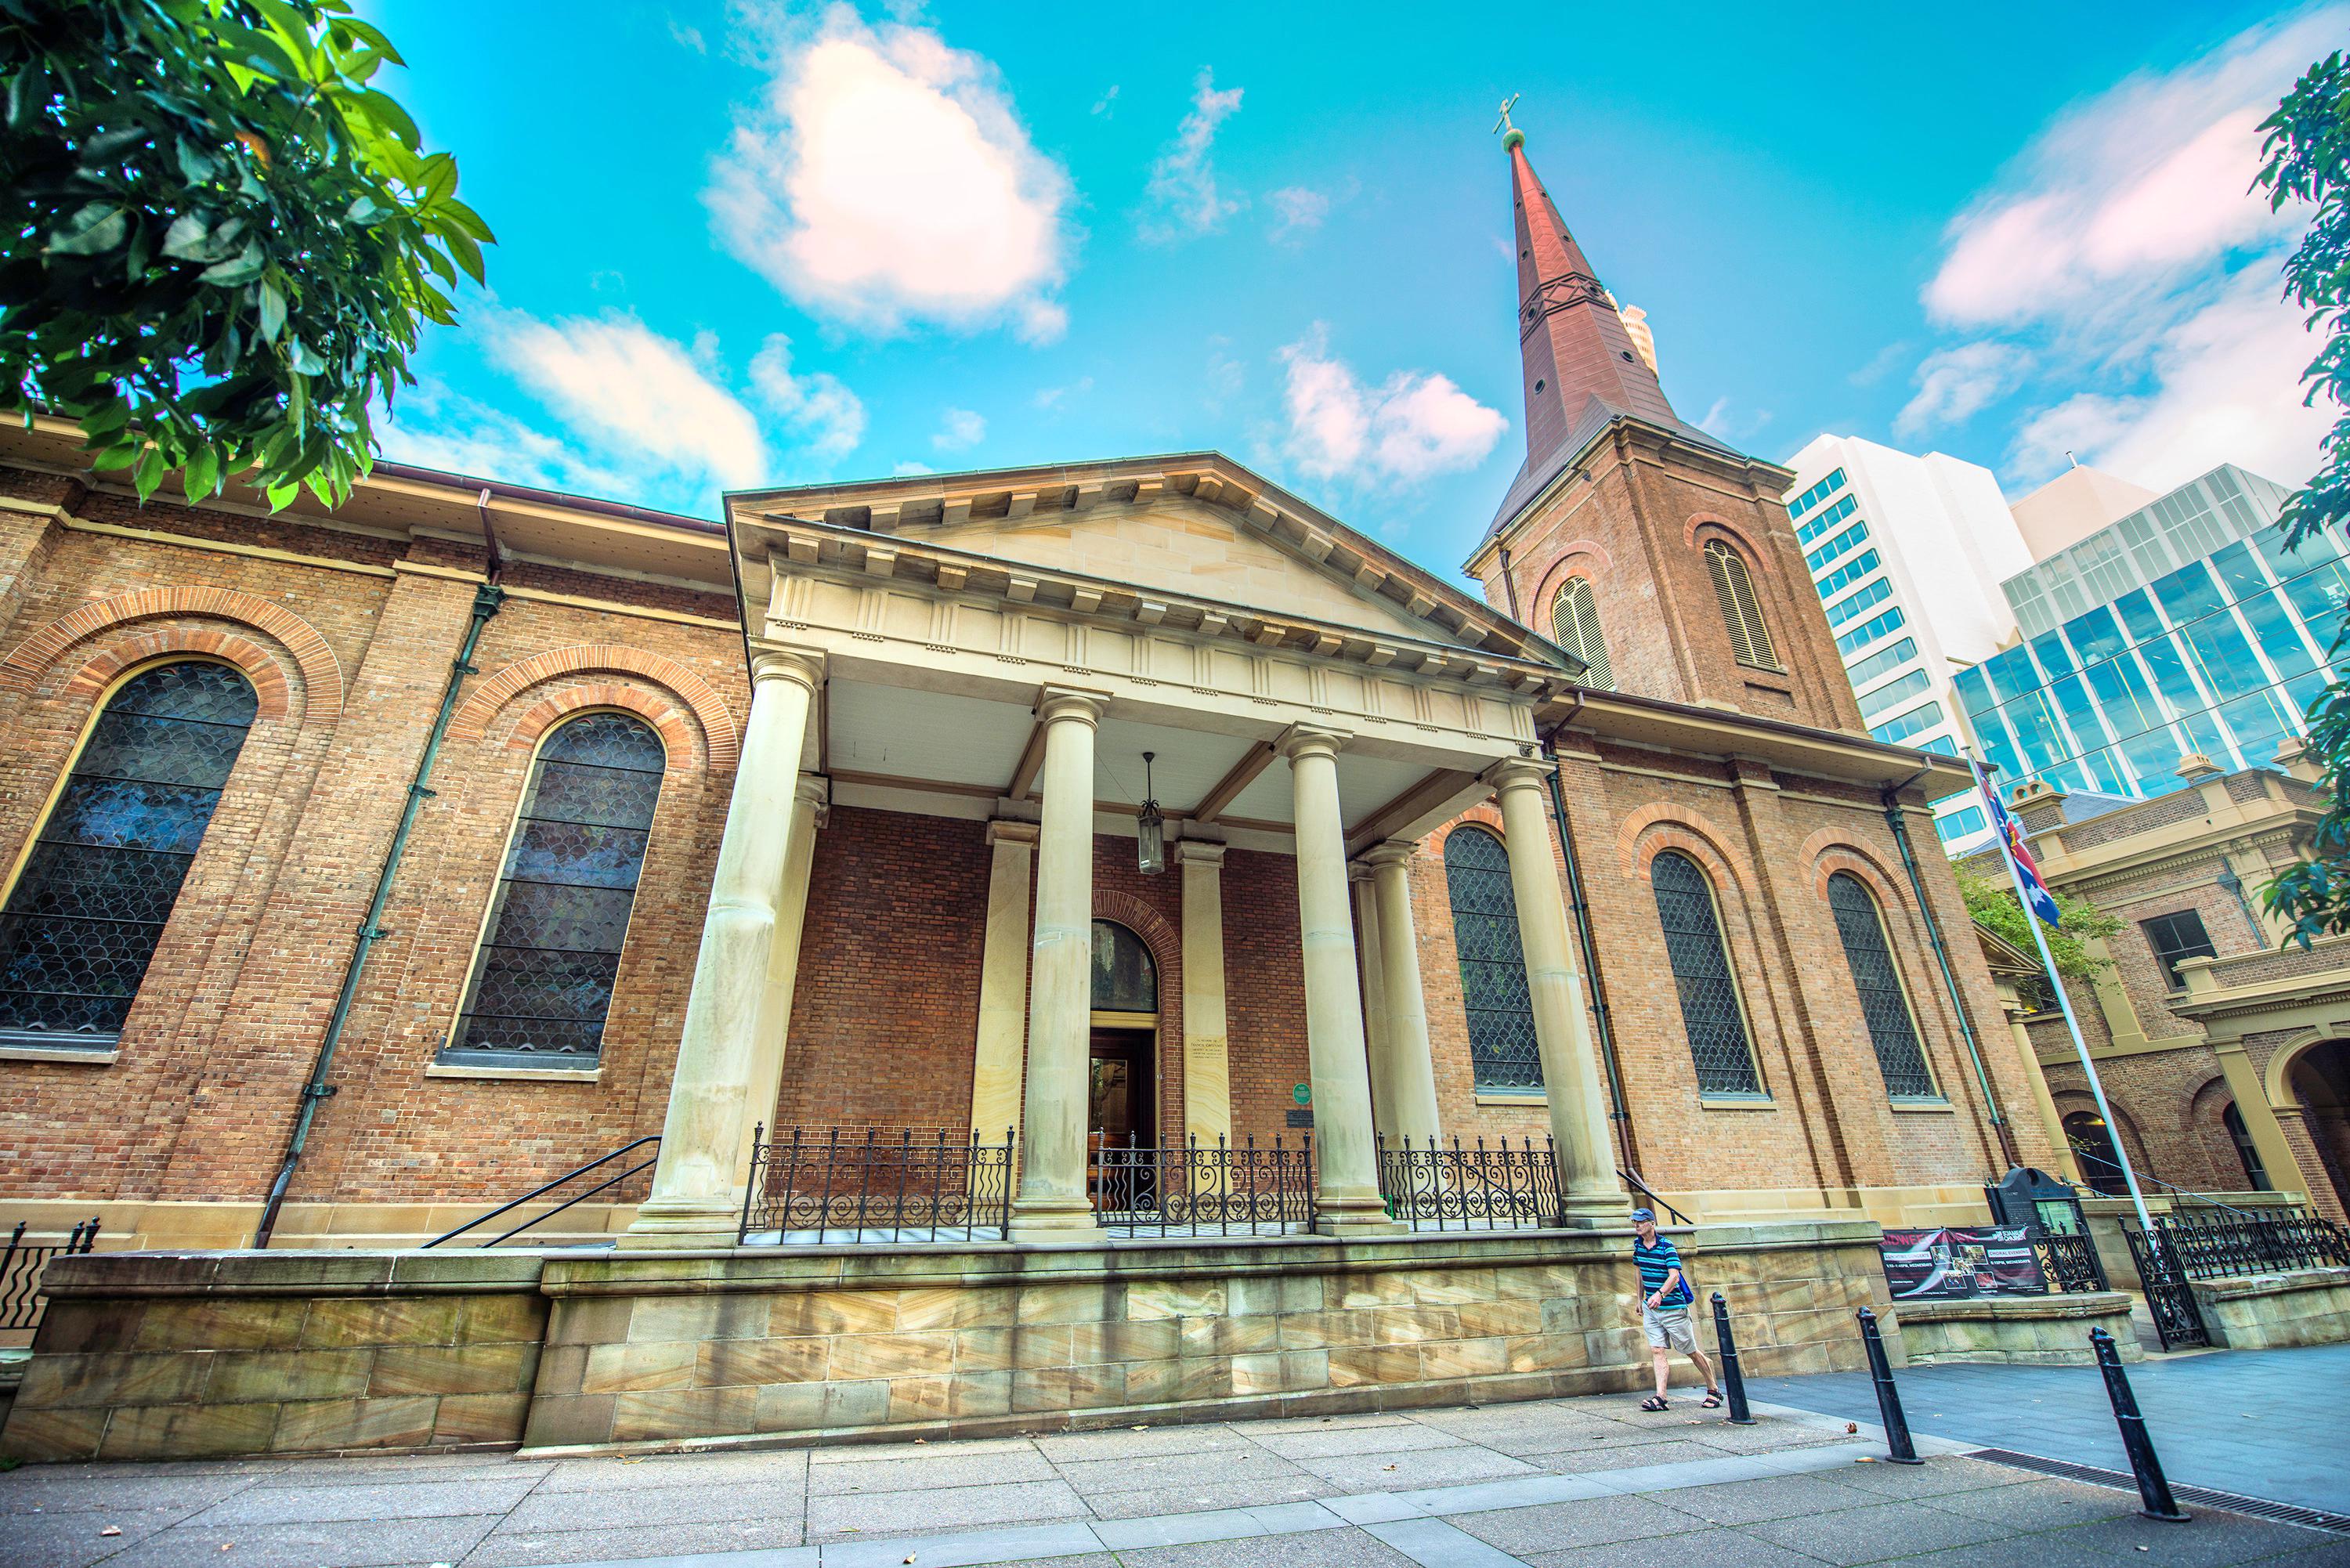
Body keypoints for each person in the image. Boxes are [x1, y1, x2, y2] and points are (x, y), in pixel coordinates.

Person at [1631, 1206, 1720, 1411]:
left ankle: (1713, 1389)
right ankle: (1661, 1397)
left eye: (1640, 1222)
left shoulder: (1666, 1247)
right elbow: (1638, 1271)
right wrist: (1639, 1298)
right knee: (1656, 1350)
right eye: (1634, 1222)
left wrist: (1660, 1294)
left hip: (1673, 1308)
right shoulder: (1638, 1246)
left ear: (1651, 1224)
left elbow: (1674, 1276)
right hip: (1651, 1310)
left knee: (1690, 1351)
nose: (1636, 1225)